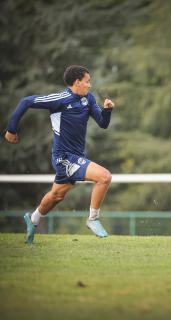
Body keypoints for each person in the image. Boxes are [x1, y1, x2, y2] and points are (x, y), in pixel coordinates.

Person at [4, 65, 116, 244]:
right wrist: (11, 129)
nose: (90, 85)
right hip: (63, 157)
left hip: (75, 156)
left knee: (57, 195)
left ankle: (33, 220)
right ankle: (93, 219)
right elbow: (26, 101)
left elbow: (102, 123)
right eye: (87, 81)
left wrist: (107, 110)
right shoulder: (60, 99)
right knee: (104, 177)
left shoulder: (88, 99)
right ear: (77, 82)